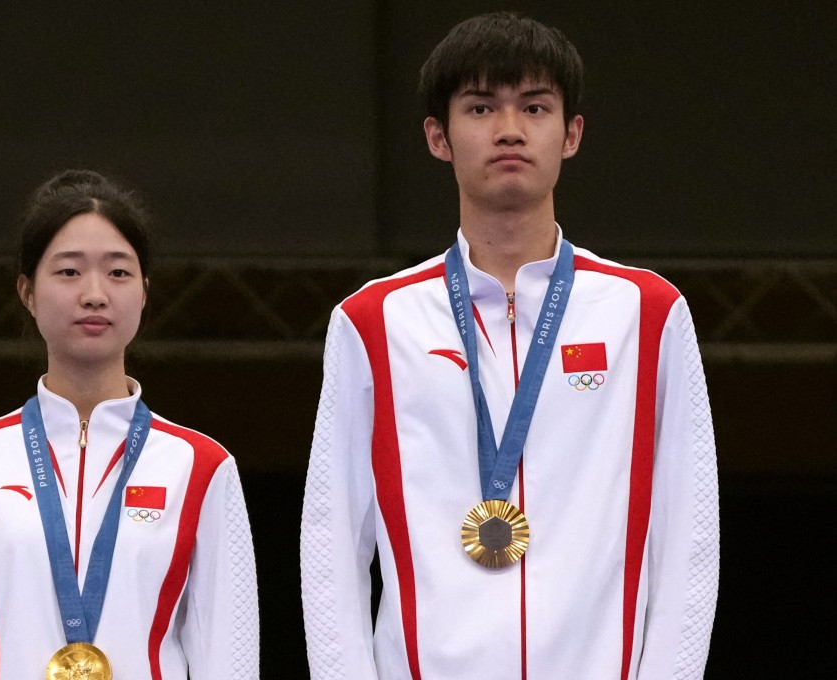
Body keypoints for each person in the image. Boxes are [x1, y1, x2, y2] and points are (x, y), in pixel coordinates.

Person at [300, 12, 718, 680]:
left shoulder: (646, 313)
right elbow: (331, 538)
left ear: (571, 133)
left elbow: (690, 532)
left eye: (534, 107)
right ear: (437, 137)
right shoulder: (374, 321)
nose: (509, 129)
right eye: (480, 107)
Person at [0, 170, 259, 680]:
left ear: (144, 293)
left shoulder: (202, 466)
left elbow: (229, 660)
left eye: (118, 272)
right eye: (69, 271)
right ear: (27, 292)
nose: (95, 294)